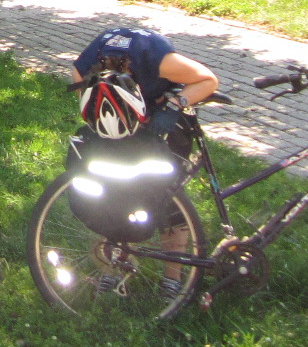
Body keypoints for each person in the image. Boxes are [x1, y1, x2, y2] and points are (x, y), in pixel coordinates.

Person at [70, 27, 219, 299]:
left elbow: (208, 80)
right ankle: (112, 267)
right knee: (113, 194)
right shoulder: (90, 61)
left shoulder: (156, 58)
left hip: (165, 122)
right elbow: (83, 91)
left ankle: (172, 280)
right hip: (122, 122)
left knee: (168, 199)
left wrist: (174, 104)